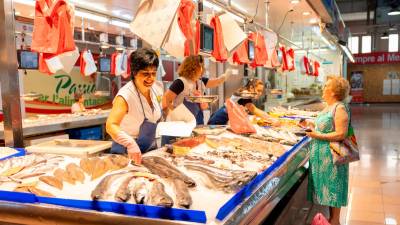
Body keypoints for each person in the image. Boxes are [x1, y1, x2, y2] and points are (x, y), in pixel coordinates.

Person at [302, 75, 351, 225]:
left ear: (334, 91)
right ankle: (332, 220)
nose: (323, 88)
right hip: (324, 158)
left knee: (334, 190)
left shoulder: (340, 107)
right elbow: (326, 125)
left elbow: (341, 133)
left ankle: (335, 221)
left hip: (332, 158)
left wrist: (316, 134)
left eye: (326, 86)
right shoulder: (328, 107)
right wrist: (311, 124)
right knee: (329, 190)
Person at [106, 48, 162, 165]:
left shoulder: (156, 89)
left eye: (153, 73)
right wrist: (130, 143)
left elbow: (161, 110)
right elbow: (111, 125)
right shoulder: (125, 95)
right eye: (145, 74)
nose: (150, 78)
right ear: (135, 73)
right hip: (126, 151)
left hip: (148, 148)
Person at [162, 55, 232, 125]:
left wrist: (225, 76)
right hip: (180, 123)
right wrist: (176, 114)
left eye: (202, 66)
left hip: (198, 121)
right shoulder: (180, 82)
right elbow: (166, 100)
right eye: (200, 66)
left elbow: (217, 82)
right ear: (192, 68)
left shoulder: (201, 82)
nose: (202, 69)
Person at [208, 79, 273, 125]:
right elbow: (253, 109)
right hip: (220, 118)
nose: (260, 93)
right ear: (251, 87)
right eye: (258, 90)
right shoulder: (245, 93)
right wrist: (271, 119)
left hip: (225, 117)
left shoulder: (247, 93)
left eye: (261, 91)